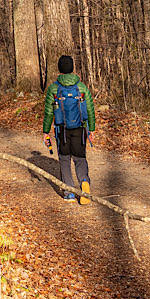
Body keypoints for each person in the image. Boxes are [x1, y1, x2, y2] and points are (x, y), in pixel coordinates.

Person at [43, 55, 95, 204]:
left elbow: (48, 112)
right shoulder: (81, 87)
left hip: (62, 130)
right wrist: (92, 129)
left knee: (65, 159)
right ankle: (84, 182)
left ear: (60, 69)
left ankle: (69, 192)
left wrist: (46, 131)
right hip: (79, 128)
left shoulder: (53, 88)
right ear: (72, 68)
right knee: (80, 158)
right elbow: (90, 109)